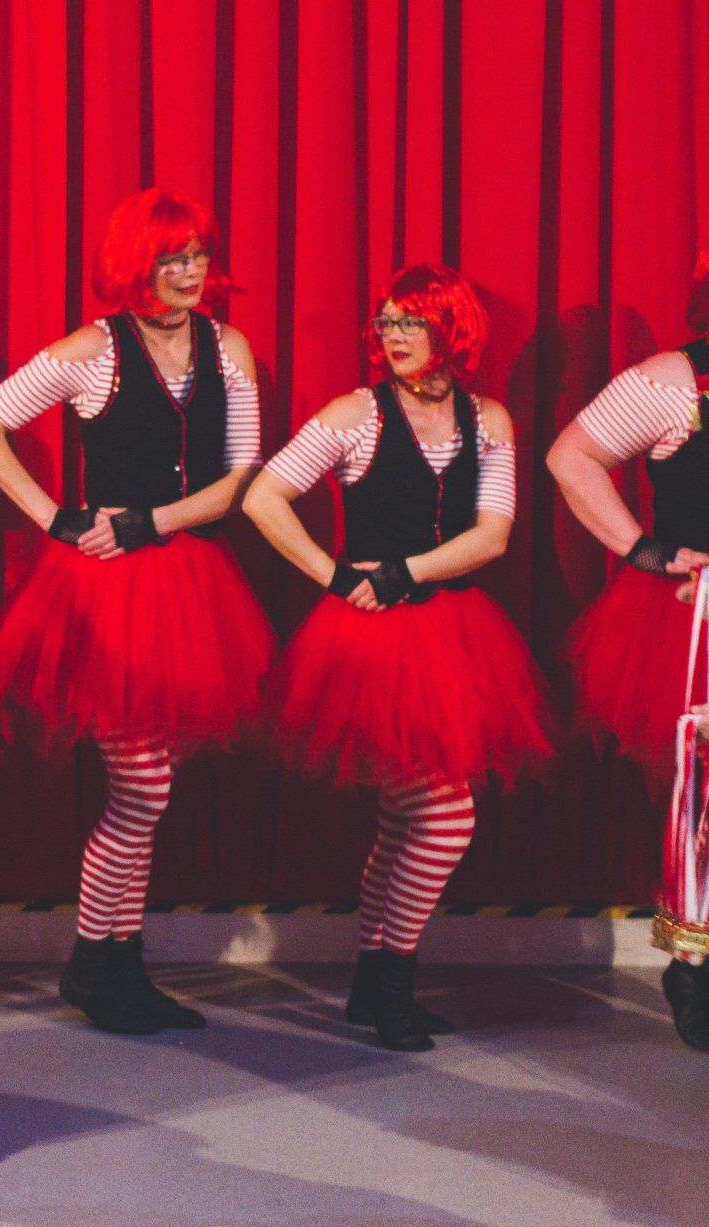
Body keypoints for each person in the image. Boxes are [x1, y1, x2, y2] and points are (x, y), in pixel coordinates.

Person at [0, 189, 272, 1035]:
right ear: (137, 265)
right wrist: (51, 516)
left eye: (197, 256)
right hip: (105, 592)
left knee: (149, 787)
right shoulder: (92, 351)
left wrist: (155, 521)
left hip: (188, 580)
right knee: (143, 786)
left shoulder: (229, 347)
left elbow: (242, 477)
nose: (190, 272)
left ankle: (114, 963)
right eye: (172, 259)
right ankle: (94, 962)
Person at [244, 262, 552, 1051]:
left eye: (413, 321)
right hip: (372, 639)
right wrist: (335, 576)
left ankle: (374, 985)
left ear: (454, 328)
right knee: (445, 820)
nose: (395, 336)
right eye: (387, 321)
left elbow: (493, 536)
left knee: (404, 819)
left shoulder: (489, 420)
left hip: (452, 630)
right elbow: (264, 497)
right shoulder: (356, 414)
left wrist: (403, 572)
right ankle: (390, 985)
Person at [547, 252, 709, 1051]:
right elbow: (571, 457)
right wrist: (643, 549)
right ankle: (696, 966)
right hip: (696, 613)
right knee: (703, 802)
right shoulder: (675, 382)